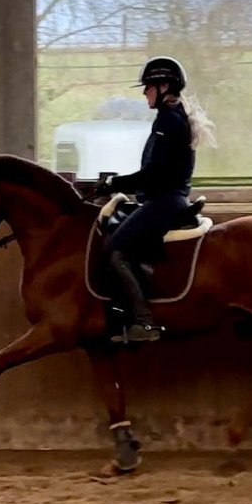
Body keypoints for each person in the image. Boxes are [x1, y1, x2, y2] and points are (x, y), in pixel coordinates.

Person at [95, 56, 212, 343]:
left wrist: (114, 182)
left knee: (115, 250)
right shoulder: (173, 117)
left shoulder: (168, 120)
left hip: (165, 201)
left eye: (148, 86)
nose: (144, 92)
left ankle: (144, 323)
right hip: (165, 199)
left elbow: (153, 174)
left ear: (163, 86)